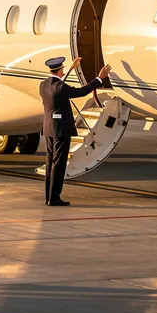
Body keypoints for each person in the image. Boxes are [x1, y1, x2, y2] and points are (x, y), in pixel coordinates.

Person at [38, 56, 111, 207]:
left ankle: (49, 197)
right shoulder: (60, 87)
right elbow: (82, 91)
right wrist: (99, 78)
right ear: (60, 70)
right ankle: (54, 198)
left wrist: (72, 67)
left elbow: (57, 87)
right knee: (59, 164)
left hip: (49, 127)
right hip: (61, 129)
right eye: (63, 70)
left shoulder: (44, 85)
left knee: (51, 162)